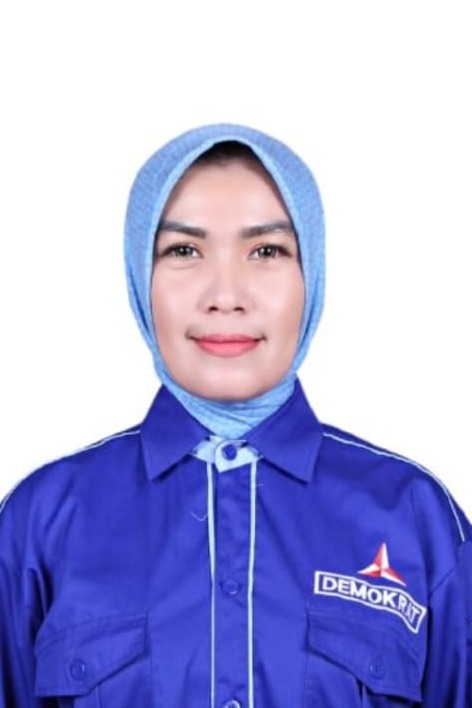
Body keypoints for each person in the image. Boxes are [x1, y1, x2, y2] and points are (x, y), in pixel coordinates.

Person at [0, 124, 471, 707]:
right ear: (139, 277)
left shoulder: (416, 517)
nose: (226, 295)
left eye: (266, 251)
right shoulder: (41, 522)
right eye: (184, 251)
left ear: (312, 275)